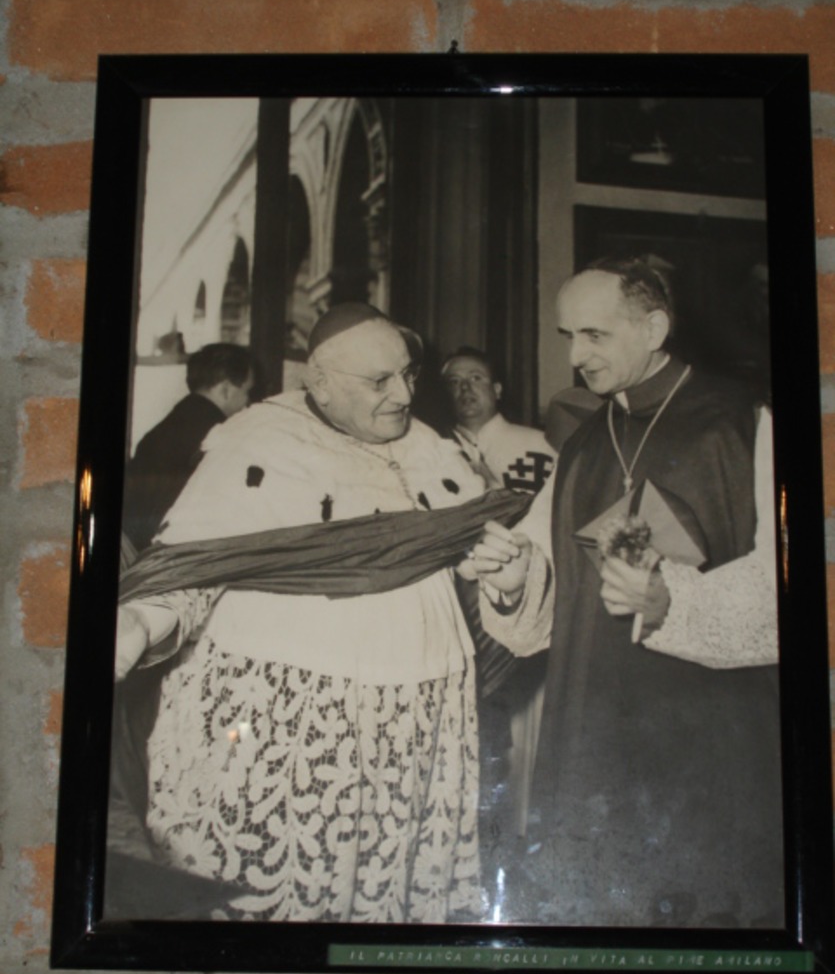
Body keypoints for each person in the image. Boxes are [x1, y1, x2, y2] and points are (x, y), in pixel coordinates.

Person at [113, 303, 493, 924]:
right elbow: (190, 567)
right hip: (292, 728)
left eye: (409, 374)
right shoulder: (258, 441)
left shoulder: (433, 448)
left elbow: (472, 558)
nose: (404, 394)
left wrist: (506, 573)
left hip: (415, 727)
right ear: (319, 384)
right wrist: (140, 624)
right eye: (380, 382)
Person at [473, 258, 783, 929]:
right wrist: (512, 577)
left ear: (653, 327)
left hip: (709, 726)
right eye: (566, 336)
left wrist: (675, 606)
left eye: (593, 335)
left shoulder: (744, 423)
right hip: (594, 719)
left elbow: (794, 582)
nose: (575, 356)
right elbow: (550, 581)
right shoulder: (582, 444)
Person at [122, 342, 255, 552]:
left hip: (139, 552)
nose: (247, 403)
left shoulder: (164, 429)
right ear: (226, 390)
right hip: (175, 556)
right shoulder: (219, 435)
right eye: (247, 391)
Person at [442, 347, 556, 493]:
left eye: (476, 378)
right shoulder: (436, 450)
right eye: (454, 382)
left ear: (497, 390)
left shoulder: (540, 444)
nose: (465, 387)